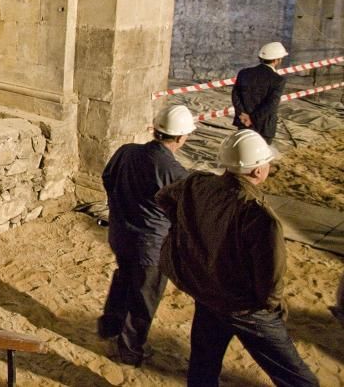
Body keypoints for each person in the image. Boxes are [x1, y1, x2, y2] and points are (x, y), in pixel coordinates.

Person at [157, 129, 318, 386]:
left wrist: (190, 233)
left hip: (207, 294)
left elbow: (164, 198)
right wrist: (273, 308)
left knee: (203, 364)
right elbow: (270, 276)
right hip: (245, 307)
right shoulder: (258, 215)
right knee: (297, 378)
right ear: (256, 171)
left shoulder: (197, 183)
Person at [96, 104, 196, 366]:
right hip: (150, 245)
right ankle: (130, 350)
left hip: (120, 234)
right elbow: (185, 213)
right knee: (144, 297)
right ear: (182, 137)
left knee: (123, 280)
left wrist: (121, 206)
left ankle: (110, 327)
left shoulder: (127, 151)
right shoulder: (175, 173)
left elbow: (108, 177)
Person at [232, 41, 288, 144]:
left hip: (244, 122)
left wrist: (242, 114)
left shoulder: (244, 73)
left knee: (243, 153)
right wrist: (252, 119)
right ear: (277, 60)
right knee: (261, 157)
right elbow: (272, 104)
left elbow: (235, 96)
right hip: (264, 126)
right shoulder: (278, 80)